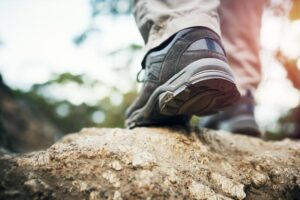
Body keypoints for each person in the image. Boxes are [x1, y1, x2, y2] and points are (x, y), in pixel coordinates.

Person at [125, 0, 267, 137]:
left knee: (184, 13)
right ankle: (240, 97)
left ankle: (179, 37)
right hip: (224, 52)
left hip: (180, 41)